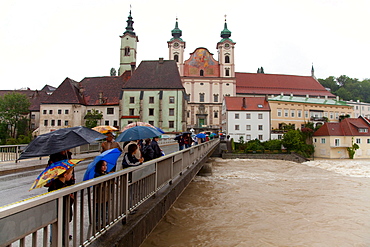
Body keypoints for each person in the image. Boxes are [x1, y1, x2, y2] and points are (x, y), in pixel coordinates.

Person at [48, 167, 74, 244]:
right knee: (59, 227)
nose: (72, 175)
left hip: (61, 212)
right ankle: (58, 240)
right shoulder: (60, 187)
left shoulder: (60, 184)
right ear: (65, 175)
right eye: (70, 174)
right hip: (61, 211)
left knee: (59, 227)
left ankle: (58, 239)